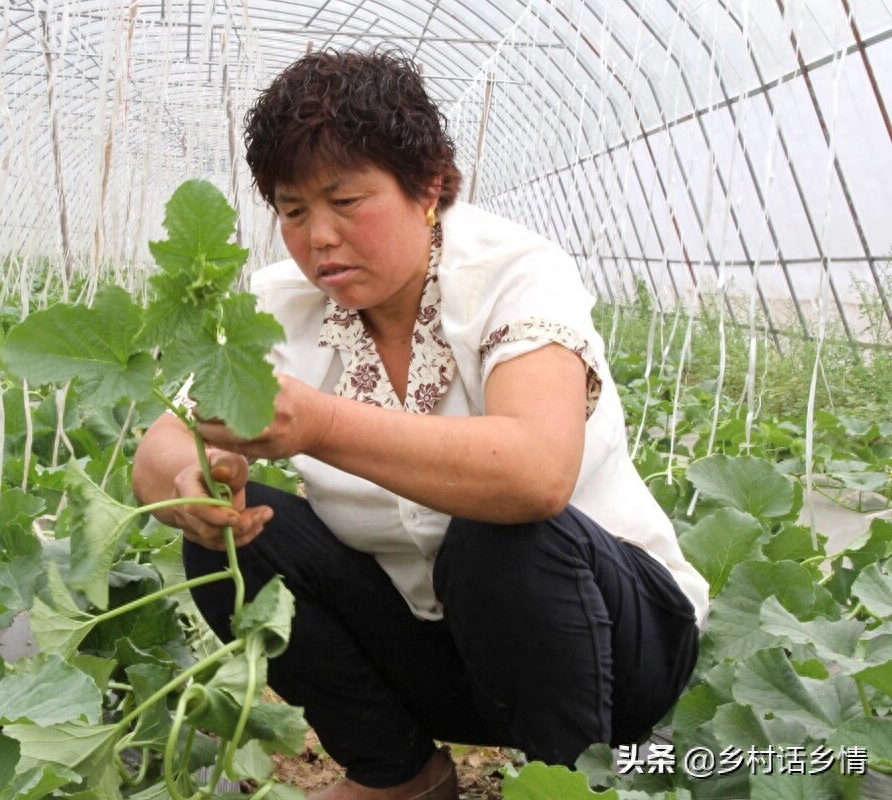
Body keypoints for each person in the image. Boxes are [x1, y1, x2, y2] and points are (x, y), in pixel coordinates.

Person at [132, 48, 708, 800]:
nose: (319, 238)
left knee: (499, 528)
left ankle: (568, 782)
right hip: (446, 654)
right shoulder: (279, 306)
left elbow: (535, 474)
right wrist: (189, 487)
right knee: (241, 540)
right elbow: (161, 446)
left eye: (346, 202)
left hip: (610, 649)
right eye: (293, 211)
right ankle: (400, 774)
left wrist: (319, 424)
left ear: (428, 187)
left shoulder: (516, 274)